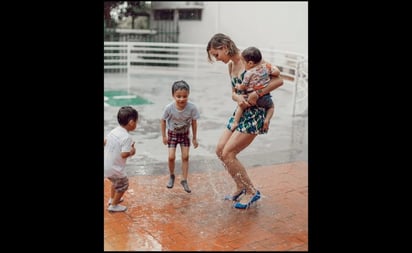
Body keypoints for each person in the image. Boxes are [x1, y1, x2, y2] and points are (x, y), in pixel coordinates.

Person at [206, 33, 284, 209]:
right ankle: (240, 186)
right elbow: (234, 92)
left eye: (216, 55)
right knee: (220, 150)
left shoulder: (250, 59)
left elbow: (279, 80)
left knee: (228, 153)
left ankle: (251, 191)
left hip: (256, 112)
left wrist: (258, 93)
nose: (217, 59)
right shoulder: (231, 66)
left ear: (224, 47)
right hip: (241, 110)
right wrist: (237, 98)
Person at [161, 80, 200, 193]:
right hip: (172, 134)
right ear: (173, 95)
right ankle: (172, 175)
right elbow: (163, 120)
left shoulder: (192, 108)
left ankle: (184, 179)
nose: (181, 99)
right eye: (178, 96)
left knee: (185, 156)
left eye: (184, 96)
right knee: (171, 157)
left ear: (188, 95)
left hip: (184, 135)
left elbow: (194, 122)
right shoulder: (169, 108)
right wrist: (163, 136)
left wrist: (194, 138)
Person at [231, 46, 280, 131]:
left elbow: (244, 86)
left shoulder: (249, 73)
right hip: (264, 97)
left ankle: (235, 122)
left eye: (243, 62)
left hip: (250, 97)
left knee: (240, 107)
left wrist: (238, 86)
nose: (242, 64)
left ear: (250, 63)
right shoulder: (266, 67)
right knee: (271, 107)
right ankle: (267, 120)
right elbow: (277, 72)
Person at [104, 106, 138, 212]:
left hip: (106, 165)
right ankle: (113, 205)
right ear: (131, 122)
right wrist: (132, 151)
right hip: (115, 168)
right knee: (123, 184)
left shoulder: (114, 131)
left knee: (116, 183)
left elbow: (105, 141)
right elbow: (124, 154)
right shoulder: (127, 137)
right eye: (136, 122)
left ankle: (112, 199)